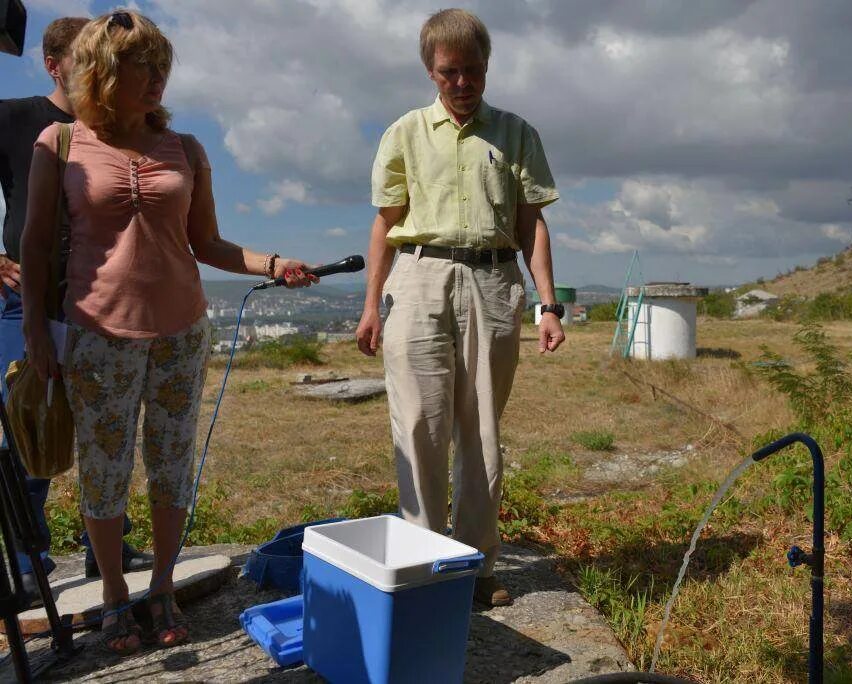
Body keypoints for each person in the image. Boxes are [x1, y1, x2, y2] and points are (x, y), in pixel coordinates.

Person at [20, 10, 318, 656]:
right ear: (102, 71)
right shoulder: (61, 145)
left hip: (182, 331)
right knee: (104, 472)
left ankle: (159, 586)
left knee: (172, 465)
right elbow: (36, 243)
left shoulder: (185, 149)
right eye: (140, 66)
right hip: (98, 333)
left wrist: (272, 264)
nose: (156, 78)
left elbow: (205, 241)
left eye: (162, 66)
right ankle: (111, 597)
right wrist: (40, 336)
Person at [356, 8, 565, 608]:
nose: (463, 83)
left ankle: (475, 567)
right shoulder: (403, 133)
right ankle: (424, 566)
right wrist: (371, 306)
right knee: (419, 422)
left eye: (473, 71)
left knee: (481, 428)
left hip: (494, 282)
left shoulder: (516, 133)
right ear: (430, 71)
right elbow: (385, 224)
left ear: (486, 68)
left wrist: (548, 304)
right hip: (418, 275)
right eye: (450, 72)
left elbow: (532, 223)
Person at [0, 16, 153, 605]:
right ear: (54, 64)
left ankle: (106, 553)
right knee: (30, 424)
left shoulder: (114, 128)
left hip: (99, 300)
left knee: (107, 427)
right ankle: (28, 560)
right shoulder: (15, 118)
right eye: (86, 58)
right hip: (28, 301)